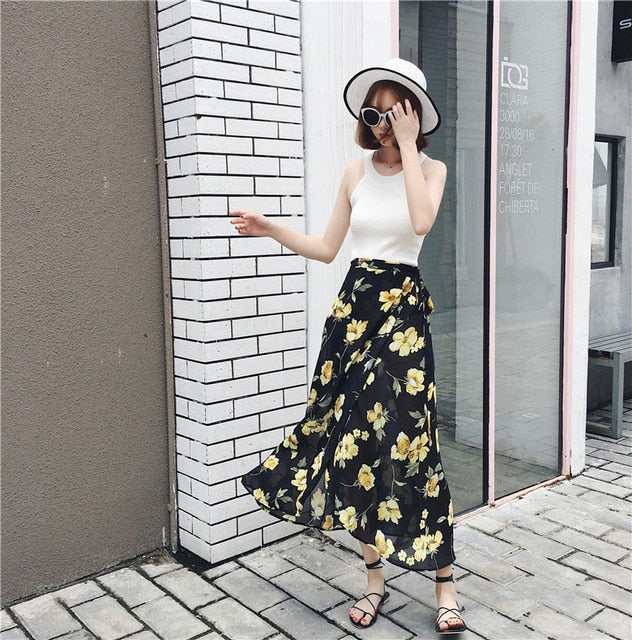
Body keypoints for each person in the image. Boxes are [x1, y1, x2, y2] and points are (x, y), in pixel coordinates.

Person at [230, 58, 466, 634]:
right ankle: (374, 580)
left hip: (402, 321)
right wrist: (270, 228)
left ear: (414, 114)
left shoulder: (431, 170)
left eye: (393, 112)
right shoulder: (354, 172)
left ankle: (445, 584)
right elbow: (327, 248)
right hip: (352, 318)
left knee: (412, 446)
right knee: (352, 447)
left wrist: (408, 146)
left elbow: (420, 221)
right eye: (373, 113)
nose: (381, 123)